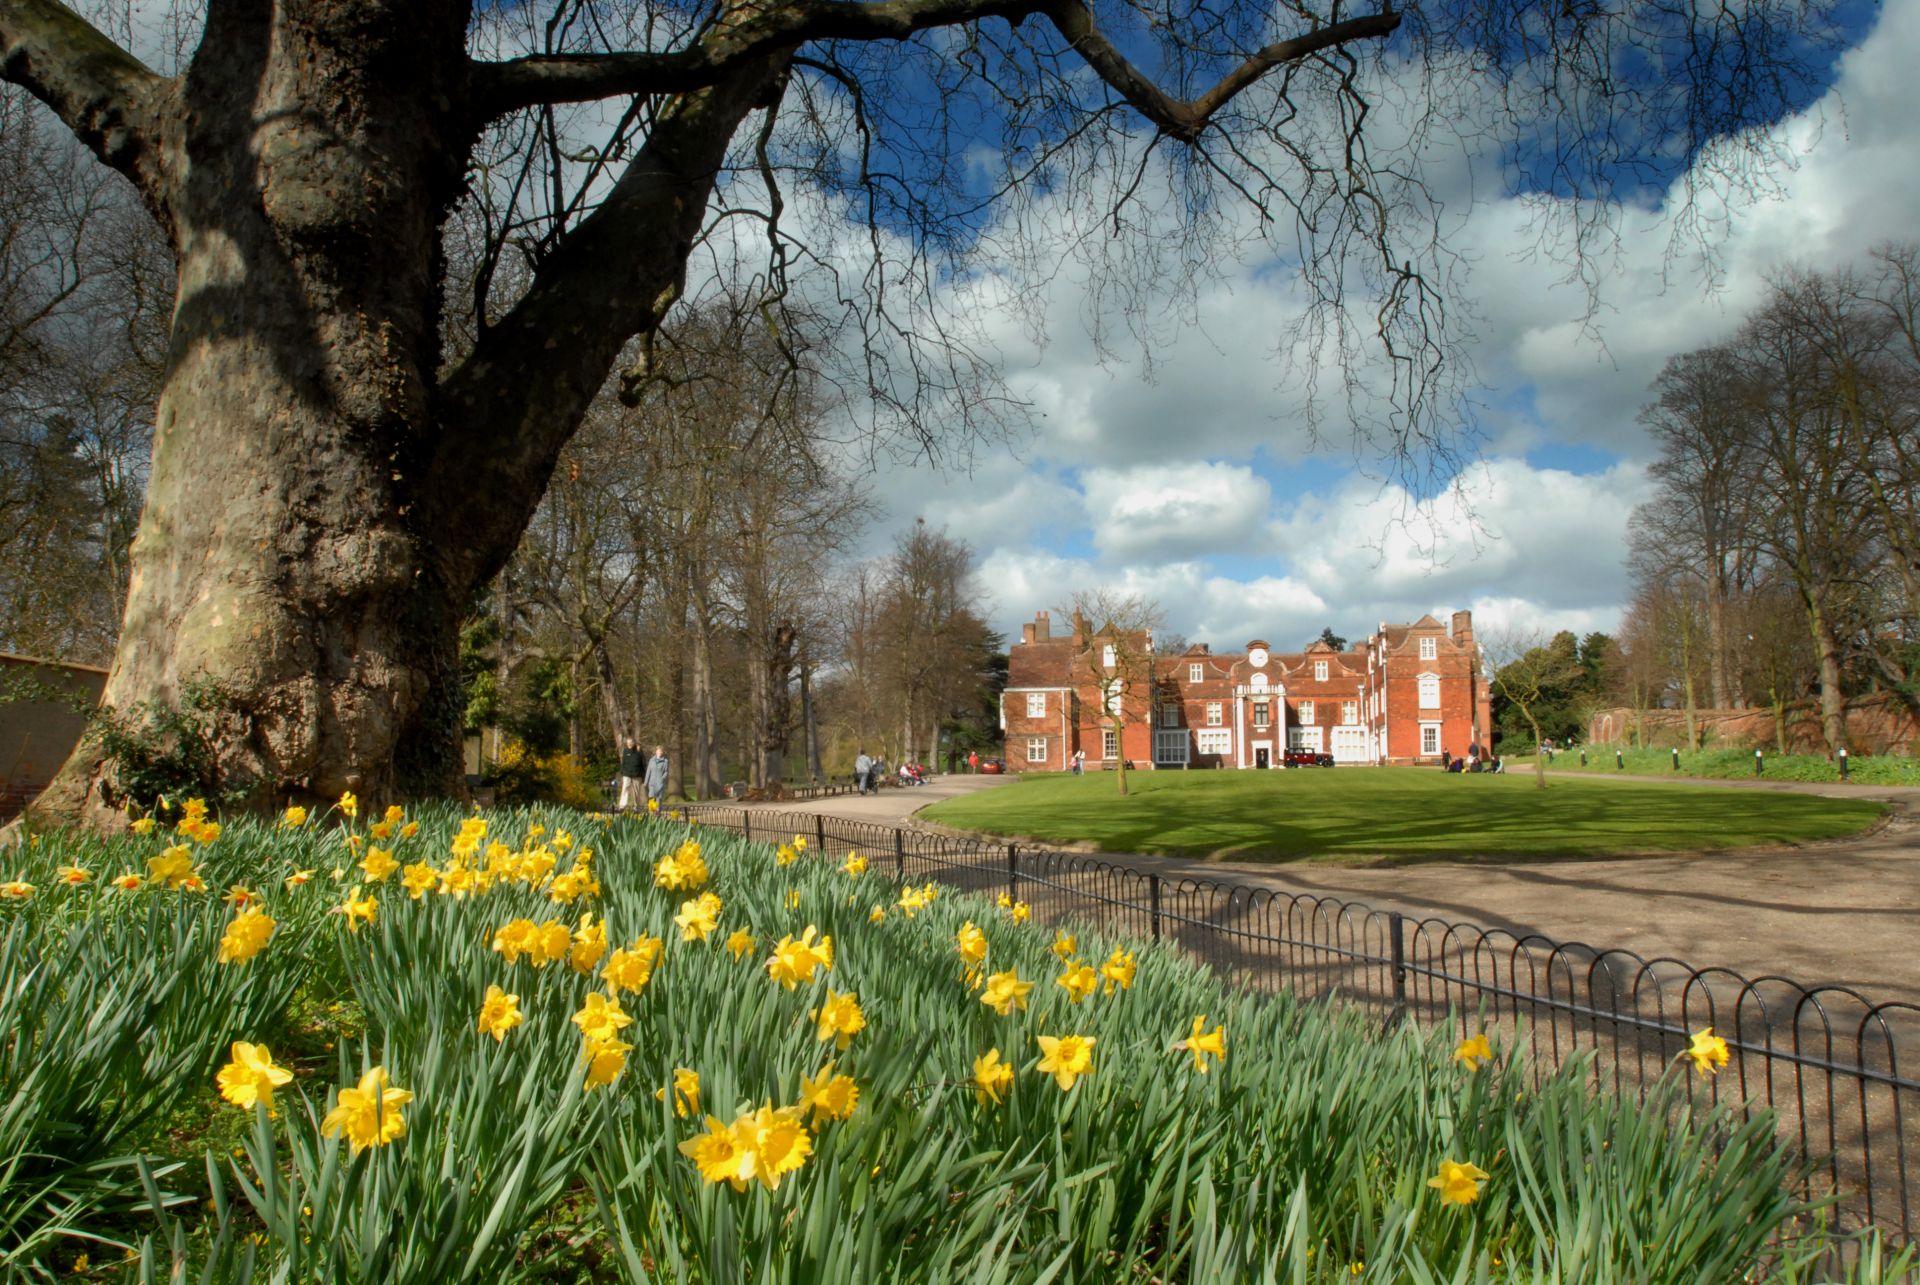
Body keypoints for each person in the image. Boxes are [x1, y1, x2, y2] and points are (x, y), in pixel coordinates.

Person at [617, 738, 644, 811]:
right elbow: (623, 763)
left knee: (636, 792)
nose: (629, 744)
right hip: (627, 774)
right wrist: (622, 772)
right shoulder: (625, 751)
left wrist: (643, 776)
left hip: (636, 775)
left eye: (630, 742)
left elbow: (643, 764)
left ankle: (636, 807)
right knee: (624, 789)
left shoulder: (639, 751)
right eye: (628, 742)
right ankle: (622, 806)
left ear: (633, 743)